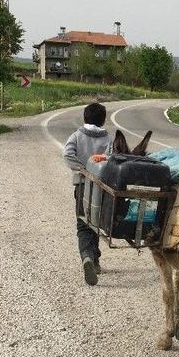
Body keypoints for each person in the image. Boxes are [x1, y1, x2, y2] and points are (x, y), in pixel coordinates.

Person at [63, 103, 110, 286]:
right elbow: (112, 160)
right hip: (101, 188)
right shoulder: (108, 139)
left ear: (84, 118)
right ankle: (96, 261)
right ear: (103, 120)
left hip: (82, 185)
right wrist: (98, 171)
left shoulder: (76, 136)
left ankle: (87, 257)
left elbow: (67, 155)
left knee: (83, 224)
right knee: (95, 223)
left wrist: (83, 169)